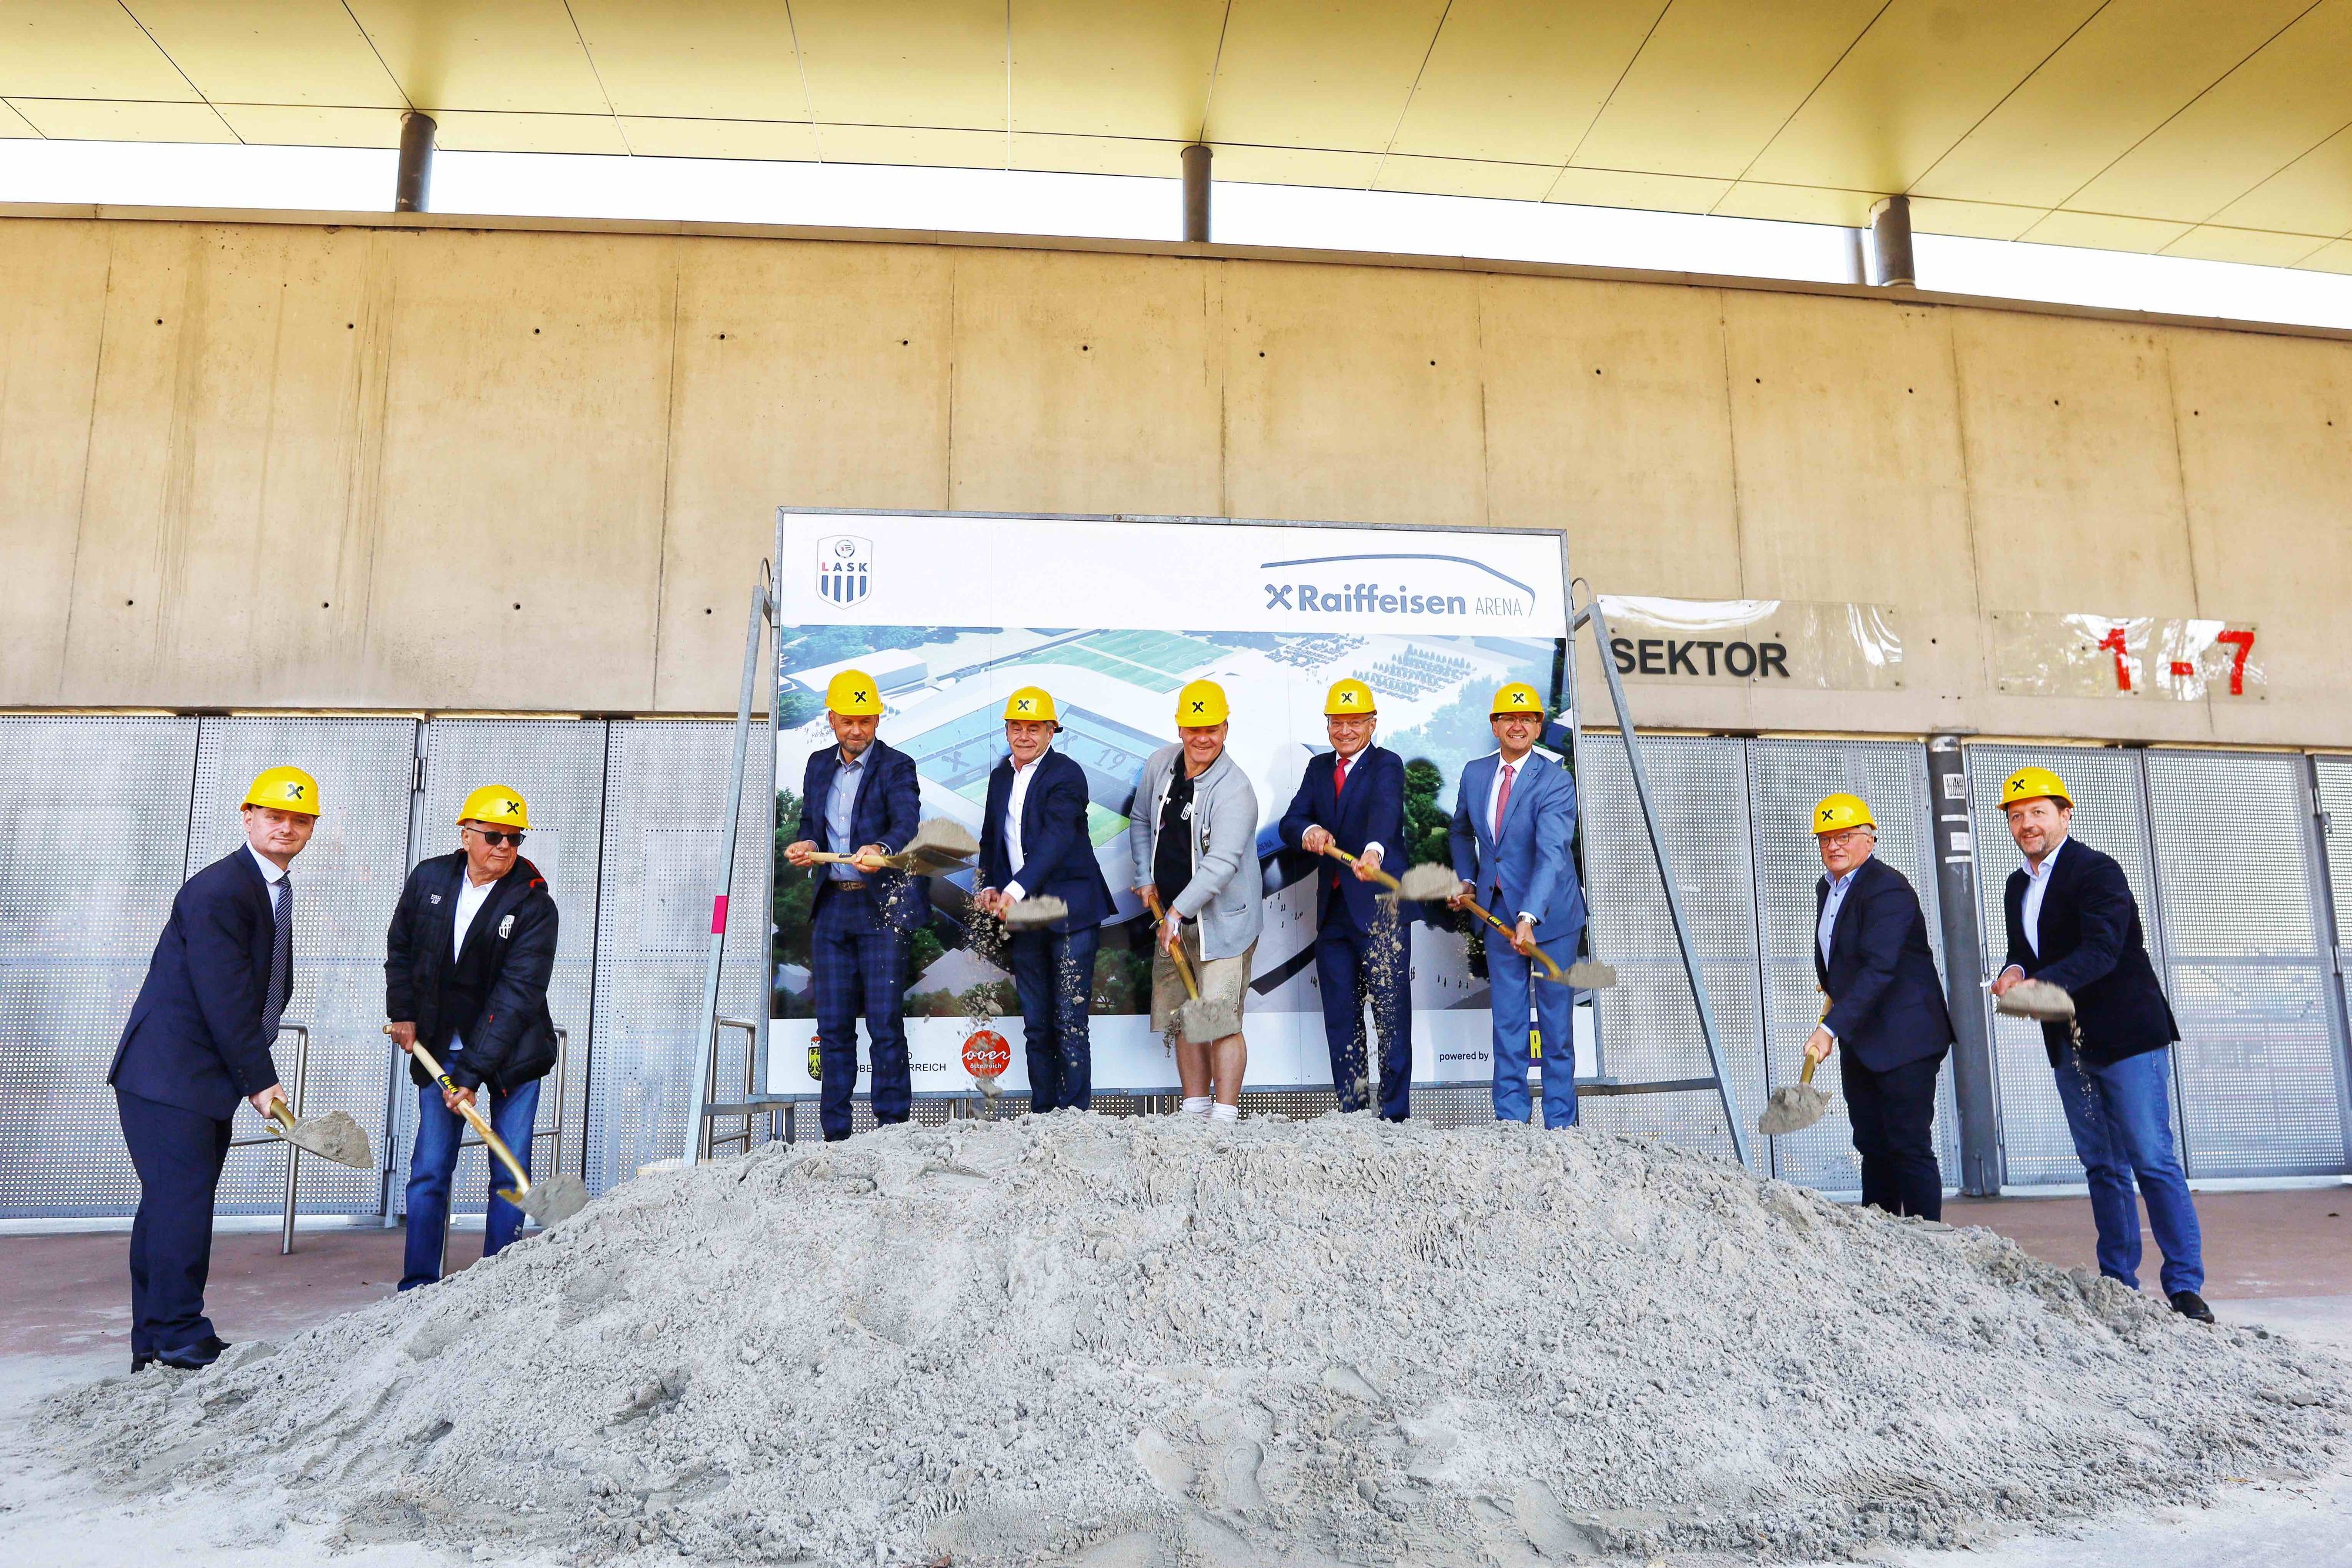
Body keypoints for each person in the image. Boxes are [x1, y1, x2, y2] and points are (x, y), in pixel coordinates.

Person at [108, 765, 316, 1371]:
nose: (285, 827)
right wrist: (260, 1080)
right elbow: (222, 997)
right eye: (273, 815)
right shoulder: (221, 888)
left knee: (169, 1203)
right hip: (171, 1074)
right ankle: (178, 1334)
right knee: (183, 1204)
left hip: (194, 1076)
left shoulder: (266, 887)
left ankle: (153, 1337)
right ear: (246, 816)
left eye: (298, 819)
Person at [1990, 765, 2211, 1322]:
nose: (2026, 823)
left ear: (2066, 814)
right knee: (2102, 1164)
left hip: (2127, 1034)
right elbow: (2023, 947)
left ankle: (2184, 1286)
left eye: (2038, 812)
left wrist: (2043, 984)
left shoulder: (2097, 870)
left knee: (2152, 1157)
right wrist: (2014, 971)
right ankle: (2119, 1281)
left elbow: (2104, 949)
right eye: (2017, 816)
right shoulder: (2019, 883)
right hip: (2070, 1041)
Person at [384, 784, 559, 1290]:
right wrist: (403, 1011)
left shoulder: (533, 904)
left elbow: (517, 996)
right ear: (466, 835)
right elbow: (401, 946)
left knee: (509, 1171)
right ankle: (418, 1285)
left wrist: (472, 1072)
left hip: (511, 1056)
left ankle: (496, 1287)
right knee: (430, 1170)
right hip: (439, 1045)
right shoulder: (430, 880)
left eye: (514, 838)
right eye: (493, 836)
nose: (504, 846)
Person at [1796, 793, 1954, 1219]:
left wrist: (1829, 1029)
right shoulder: (1827, 888)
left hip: (1905, 1037)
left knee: (1907, 1144)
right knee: (1872, 1145)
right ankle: (1881, 1243)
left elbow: (1879, 968)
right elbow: (1844, 962)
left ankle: (1928, 1243)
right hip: (1862, 1035)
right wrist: (1834, 1006)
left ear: (1869, 839)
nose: (1834, 846)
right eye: (1825, 837)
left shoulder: (1887, 888)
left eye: (1844, 835)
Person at [785, 668, 923, 1141]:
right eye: (847, 721)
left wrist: (881, 849)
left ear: (878, 719)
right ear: (831, 719)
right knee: (834, 1026)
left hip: (881, 908)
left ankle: (892, 1132)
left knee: (885, 1023)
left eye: (865, 721)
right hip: (833, 910)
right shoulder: (817, 765)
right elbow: (810, 822)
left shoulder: (898, 766)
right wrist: (805, 843)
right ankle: (836, 1136)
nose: (856, 730)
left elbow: (907, 820)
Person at [1448, 683, 1586, 1127]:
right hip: (1497, 913)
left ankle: (1561, 1126)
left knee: (1555, 1027)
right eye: (1509, 717)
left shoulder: (1554, 779)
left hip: (1552, 919)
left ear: (1539, 726)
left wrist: (1530, 916)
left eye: (1527, 719)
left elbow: (1551, 854)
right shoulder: (1474, 774)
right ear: (1495, 724)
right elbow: (1459, 831)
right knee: (1507, 1023)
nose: (1518, 725)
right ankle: (1511, 1122)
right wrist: (1467, 878)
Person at [975, 686, 1115, 1113]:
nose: (1024, 735)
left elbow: (1055, 841)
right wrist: (990, 885)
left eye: (1033, 727)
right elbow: (991, 838)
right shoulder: (1001, 775)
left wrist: (1014, 890)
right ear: (1006, 729)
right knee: (1036, 1024)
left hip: (1069, 911)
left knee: (1070, 1021)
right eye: (1016, 726)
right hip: (1024, 916)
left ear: (1053, 730)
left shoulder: (1067, 774)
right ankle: (1043, 1112)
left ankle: (1074, 1116)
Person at [1128, 678, 1262, 1122]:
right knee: (1186, 1013)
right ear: (1180, 727)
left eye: (1211, 729)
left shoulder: (1235, 789)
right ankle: (1194, 1108)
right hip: (1171, 915)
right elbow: (1141, 819)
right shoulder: (1160, 764)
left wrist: (1177, 912)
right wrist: (1144, 876)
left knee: (1218, 1017)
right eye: (1193, 728)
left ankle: (1223, 1116)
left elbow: (1221, 865)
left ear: (1226, 728)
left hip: (1221, 922)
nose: (1201, 738)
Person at [1279, 677, 1412, 1119]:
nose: (1346, 731)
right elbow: (1290, 820)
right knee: (1341, 1017)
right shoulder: (1319, 769)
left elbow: (1386, 812)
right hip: (1333, 914)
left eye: (1356, 722)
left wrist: (1374, 851)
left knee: (1391, 1017)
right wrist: (1308, 831)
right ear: (1329, 724)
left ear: (1372, 723)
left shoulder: (1386, 764)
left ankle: (1393, 1116)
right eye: (1339, 722)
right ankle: (1353, 1114)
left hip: (1379, 910)